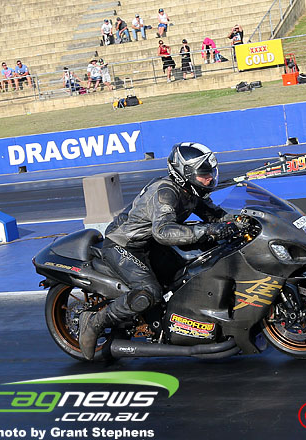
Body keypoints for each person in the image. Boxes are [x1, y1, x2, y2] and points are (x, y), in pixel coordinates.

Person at [78, 142, 239, 361]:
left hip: (150, 244)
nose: (209, 178)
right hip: (124, 245)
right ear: (185, 174)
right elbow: (163, 231)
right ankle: (94, 322)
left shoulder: (192, 192)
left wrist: (244, 220)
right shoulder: (166, 192)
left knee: (190, 275)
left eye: (210, 173)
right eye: (204, 174)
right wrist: (208, 230)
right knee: (149, 292)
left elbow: (216, 215)